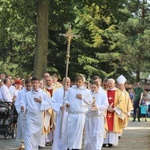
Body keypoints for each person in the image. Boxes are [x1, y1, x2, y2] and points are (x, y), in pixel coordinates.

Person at [20, 76, 52, 150]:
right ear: (31, 83)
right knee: (29, 134)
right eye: (33, 83)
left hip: (38, 117)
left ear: (39, 84)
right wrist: (23, 107)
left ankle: (34, 148)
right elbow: (23, 102)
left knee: (36, 135)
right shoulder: (27, 94)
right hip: (30, 116)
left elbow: (49, 103)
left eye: (36, 83)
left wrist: (41, 102)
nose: (34, 84)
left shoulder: (43, 94)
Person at [65, 75, 93, 150]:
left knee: (78, 131)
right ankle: (70, 146)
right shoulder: (71, 90)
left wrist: (82, 98)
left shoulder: (86, 91)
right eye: (77, 82)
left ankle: (76, 147)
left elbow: (90, 102)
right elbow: (66, 99)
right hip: (72, 113)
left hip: (80, 114)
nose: (78, 83)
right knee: (70, 131)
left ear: (83, 82)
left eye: (80, 82)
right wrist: (67, 104)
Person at [84, 81, 108, 150]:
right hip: (89, 117)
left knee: (97, 134)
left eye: (94, 87)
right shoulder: (87, 93)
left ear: (98, 87)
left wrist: (98, 108)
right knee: (89, 135)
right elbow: (84, 104)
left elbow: (105, 105)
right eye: (91, 87)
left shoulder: (103, 93)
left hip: (98, 117)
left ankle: (97, 148)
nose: (93, 89)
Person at [103, 78, 125, 147]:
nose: (109, 85)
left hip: (114, 112)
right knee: (105, 126)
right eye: (108, 83)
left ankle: (111, 142)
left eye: (110, 83)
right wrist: (107, 108)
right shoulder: (104, 92)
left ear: (114, 84)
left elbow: (121, 102)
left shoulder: (119, 92)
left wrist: (114, 109)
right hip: (106, 111)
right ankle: (104, 141)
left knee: (113, 126)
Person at [51, 77, 71, 150]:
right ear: (62, 83)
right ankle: (58, 147)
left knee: (68, 132)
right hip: (61, 115)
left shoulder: (72, 91)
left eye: (68, 82)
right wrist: (59, 106)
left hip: (69, 116)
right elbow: (52, 102)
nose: (67, 83)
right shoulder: (58, 92)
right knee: (59, 132)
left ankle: (67, 147)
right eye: (65, 82)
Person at [15, 78, 32, 149]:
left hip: (30, 114)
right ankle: (22, 143)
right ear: (25, 85)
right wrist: (21, 108)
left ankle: (30, 144)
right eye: (27, 86)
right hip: (22, 114)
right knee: (22, 129)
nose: (28, 87)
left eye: (30, 86)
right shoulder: (20, 92)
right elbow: (17, 102)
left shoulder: (33, 92)